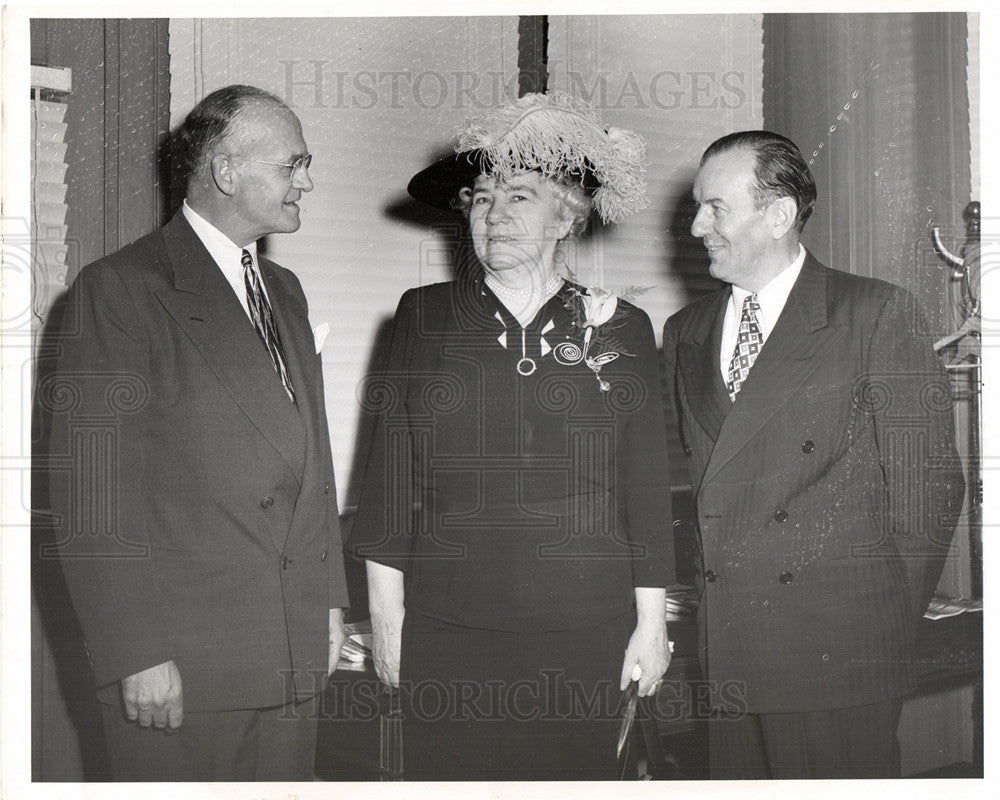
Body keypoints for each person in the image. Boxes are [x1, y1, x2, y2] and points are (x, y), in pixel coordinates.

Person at [347, 92, 675, 780]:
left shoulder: (621, 327)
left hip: (583, 624)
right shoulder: (423, 316)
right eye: (480, 198)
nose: (493, 215)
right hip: (447, 623)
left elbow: (643, 487)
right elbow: (387, 481)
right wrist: (387, 619)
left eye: (519, 196)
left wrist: (651, 624)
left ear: (569, 215)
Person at [44, 85, 348, 781]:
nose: (307, 180)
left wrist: (327, 605)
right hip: (183, 663)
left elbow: (314, 462)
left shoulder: (287, 291)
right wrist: (134, 652)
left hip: (289, 650)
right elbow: (93, 494)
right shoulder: (120, 289)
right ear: (226, 171)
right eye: (292, 164)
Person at [661, 130, 965, 779]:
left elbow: (930, 490)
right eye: (696, 207)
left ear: (778, 214)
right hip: (730, 659)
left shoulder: (875, 314)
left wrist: (875, 627)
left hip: (838, 659)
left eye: (715, 207)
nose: (695, 226)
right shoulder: (683, 333)